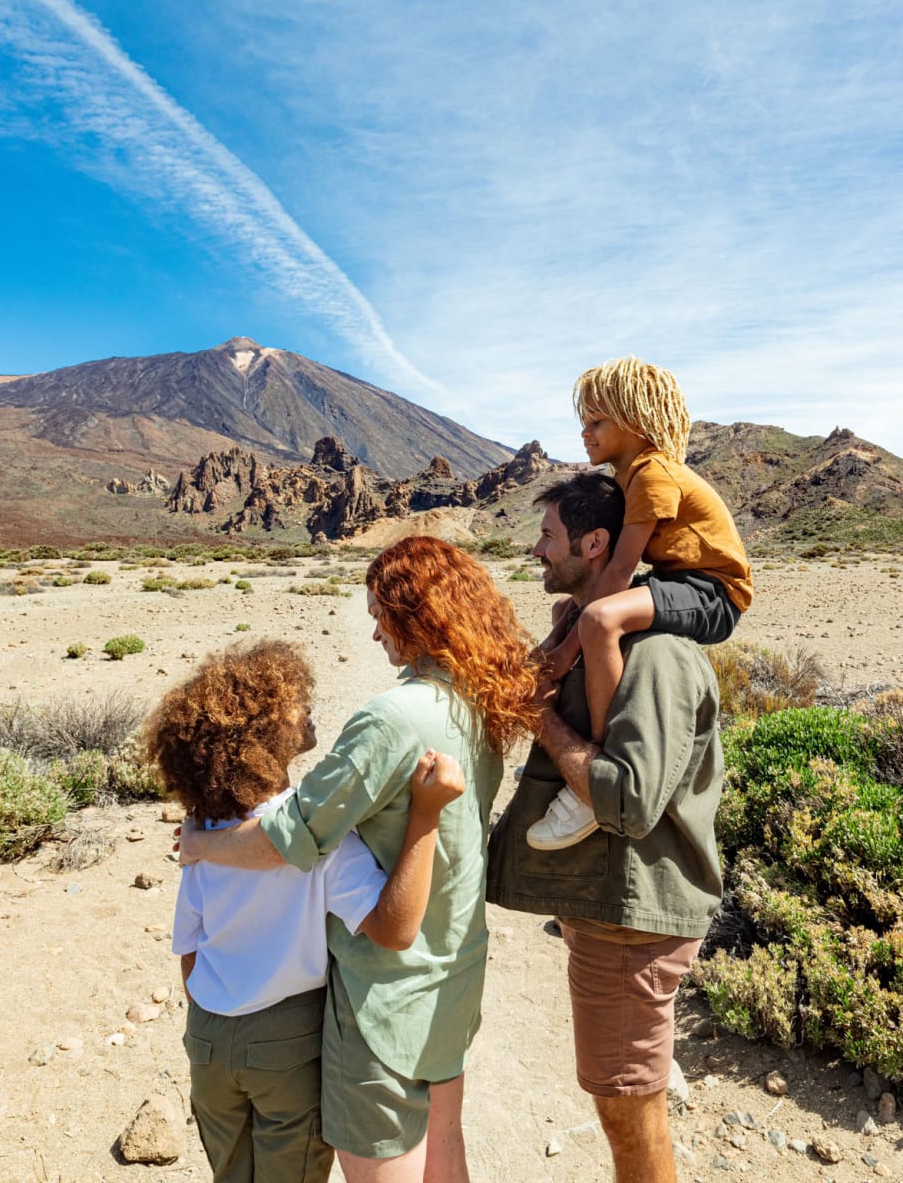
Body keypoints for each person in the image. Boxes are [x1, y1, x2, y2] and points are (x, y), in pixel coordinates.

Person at [176, 537, 539, 1183]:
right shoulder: (477, 703)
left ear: (414, 615)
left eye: (381, 616)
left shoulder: (393, 718)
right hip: (452, 971)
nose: (374, 634)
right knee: (446, 1147)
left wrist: (203, 846)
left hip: (383, 996)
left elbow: (288, 838)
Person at [144, 639, 465, 1183]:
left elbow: (190, 950)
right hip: (286, 1040)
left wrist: (223, 1007)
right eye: (292, 702)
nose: (307, 705)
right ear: (261, 733)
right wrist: (426, 816)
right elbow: (395, 928)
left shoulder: (206, 833)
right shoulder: (318, 838)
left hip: (207, 1035)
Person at [486, 472, 723, 1183]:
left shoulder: (654, 654)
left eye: (549, 536)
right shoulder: (589, 633)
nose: (536, 550)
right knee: (623, 1103)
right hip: (614, 916)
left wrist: (543, 723)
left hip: (633, 922)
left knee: (630, 1114)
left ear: (595, 543)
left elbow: (627, 801)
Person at [528, 355, 750, 849]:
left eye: (596, 421)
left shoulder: (651, 474)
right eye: (582, 422)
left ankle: (599, 765)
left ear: (634, 418)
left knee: (601, 620)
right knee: (572, 610)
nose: (585, 432)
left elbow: (621, 569)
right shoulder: (629, 476)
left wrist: (567, 655)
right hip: (680, 579)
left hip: (713, 591)